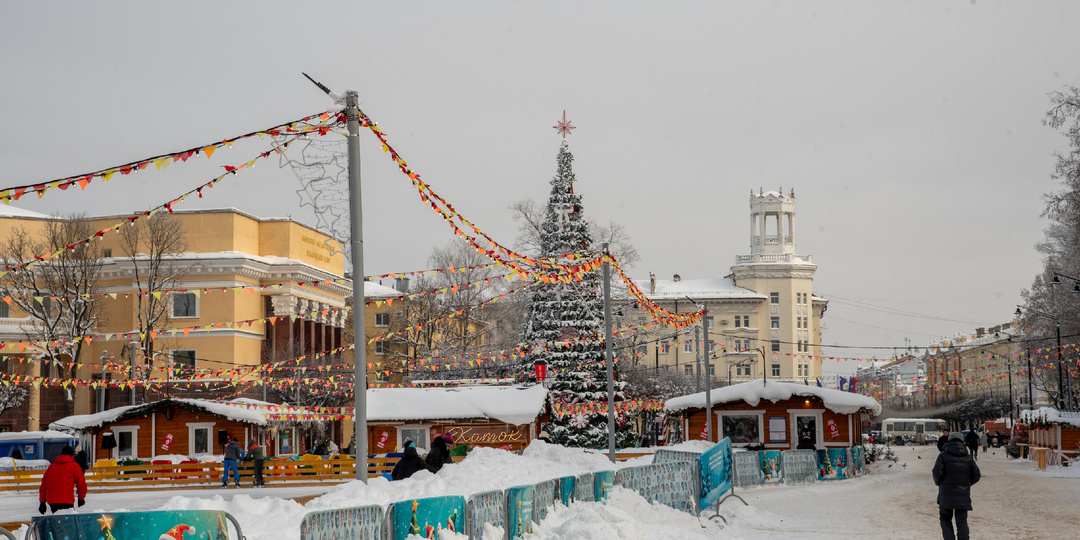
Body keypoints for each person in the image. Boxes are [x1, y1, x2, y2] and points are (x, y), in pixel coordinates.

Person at [933, 432, 981, 540]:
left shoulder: (942, 456)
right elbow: (976, 475)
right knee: (962, 521)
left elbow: (936, 474)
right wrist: (966, 484)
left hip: (946, 494)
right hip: (963, 496)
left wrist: (940, 483)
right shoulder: (968, 458)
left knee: (945, 519)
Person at [38, 445, 87, 514]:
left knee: (57, 517)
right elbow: (81, 483)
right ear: (72, 455)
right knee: (67, 518)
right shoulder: (74, 466)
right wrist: (81, 498)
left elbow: (43, 485)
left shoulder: (51, 467)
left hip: (52, 501)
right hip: (67, 499)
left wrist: (42, 502)